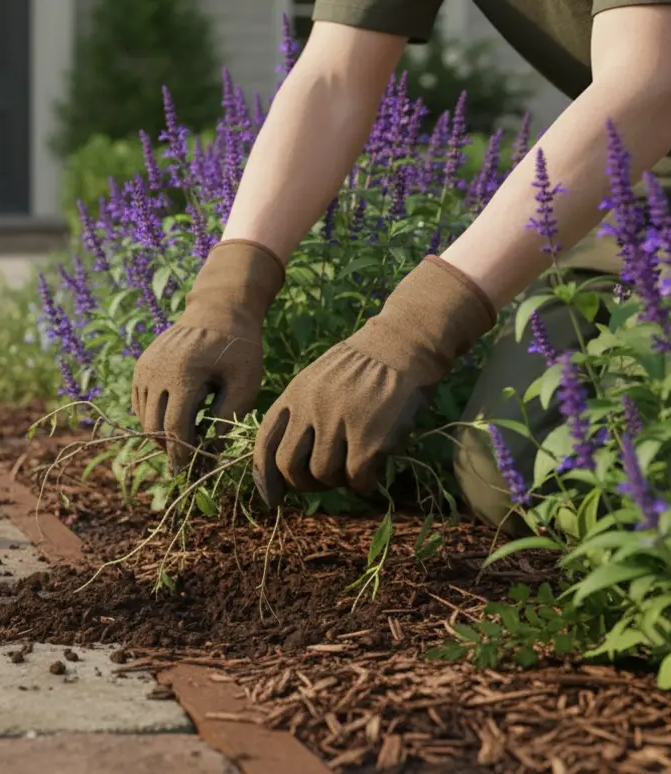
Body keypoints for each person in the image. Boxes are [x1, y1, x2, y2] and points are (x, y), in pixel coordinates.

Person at [130, 1, 671, 531]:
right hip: (643, 195)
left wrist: (415, 327)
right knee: (518, 467)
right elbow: (335, 76)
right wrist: (228, 293)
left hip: (645, 139)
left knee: (631, 462)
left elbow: (649, 84)